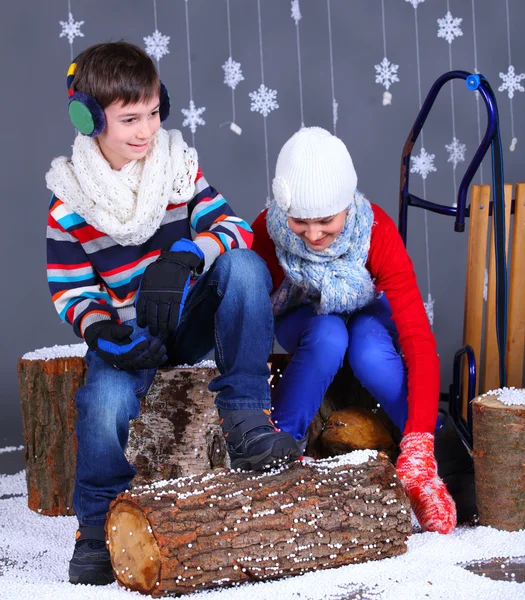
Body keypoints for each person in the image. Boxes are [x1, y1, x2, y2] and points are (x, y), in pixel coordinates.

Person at [45, 41, 301, 586]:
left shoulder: (178, 168)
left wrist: (188, 253)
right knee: (102, 400)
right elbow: (72, 292)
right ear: (89, 118)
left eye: (155, 113)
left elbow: (234, 229)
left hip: (186, 318)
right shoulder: (69, 202)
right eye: (129, 118)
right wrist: (105, 332)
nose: (146, 130)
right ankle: (96, 523)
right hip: (129, 335)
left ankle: (247, 420)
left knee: (245, 268)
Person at [251, 126, 457, 535]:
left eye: (326, 221)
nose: (312, 235)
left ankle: (425, 455)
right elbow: (251, 323)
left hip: (367, 313)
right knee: (329, 333)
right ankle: (283, 451)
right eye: (299, 221)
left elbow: (417, 336)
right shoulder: (266, 232)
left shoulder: (375, 230)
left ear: (347, 205)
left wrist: (418, 446)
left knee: (367, 349)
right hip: (303, 318)